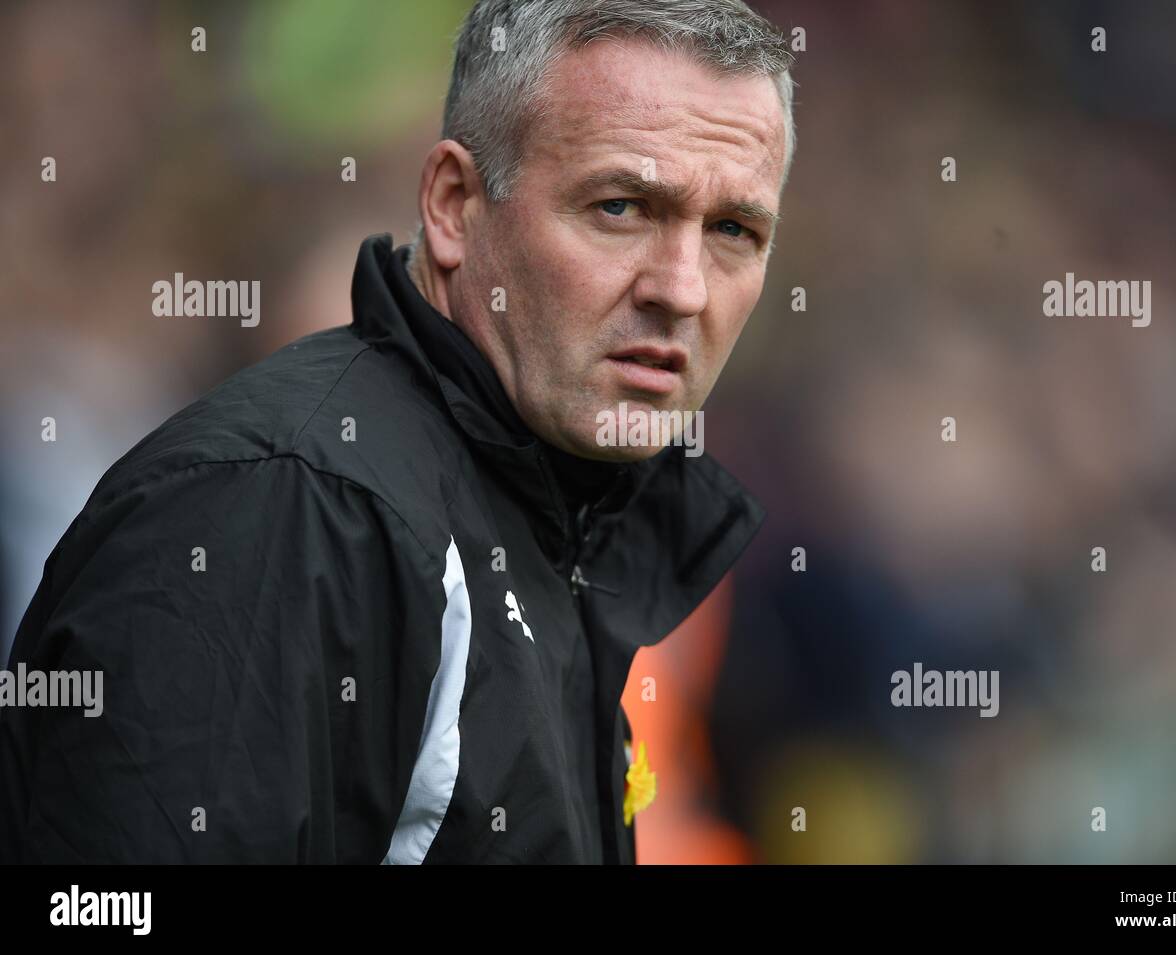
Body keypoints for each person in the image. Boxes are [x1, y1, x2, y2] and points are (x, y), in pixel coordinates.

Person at [0, 0, 795, 864]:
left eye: (732, 230)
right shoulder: (281, 505)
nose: (682, 289)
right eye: (620, 206)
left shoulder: (566, 511)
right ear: (454, 206)